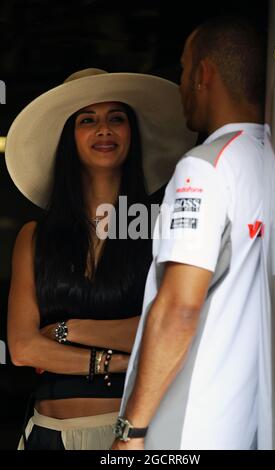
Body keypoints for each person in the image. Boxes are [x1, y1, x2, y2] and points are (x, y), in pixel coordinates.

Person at [112, 17, 275, 450]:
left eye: (184, 70)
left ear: (204, 74)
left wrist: (132, 432)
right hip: (249, 423)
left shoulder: (203, 166)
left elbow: (180, 308)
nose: (182, 82)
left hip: (185, 428)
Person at [5, 68, 196, 450]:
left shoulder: (160, 227)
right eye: (87, 120)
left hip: (133, 435)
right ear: (68, 138)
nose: (104, 129)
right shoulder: (35, 237)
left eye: (116, 118)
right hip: (46, 434)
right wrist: (123, 361)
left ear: (132, 134)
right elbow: (23, 348)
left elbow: (171, 325)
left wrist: (68, 330)